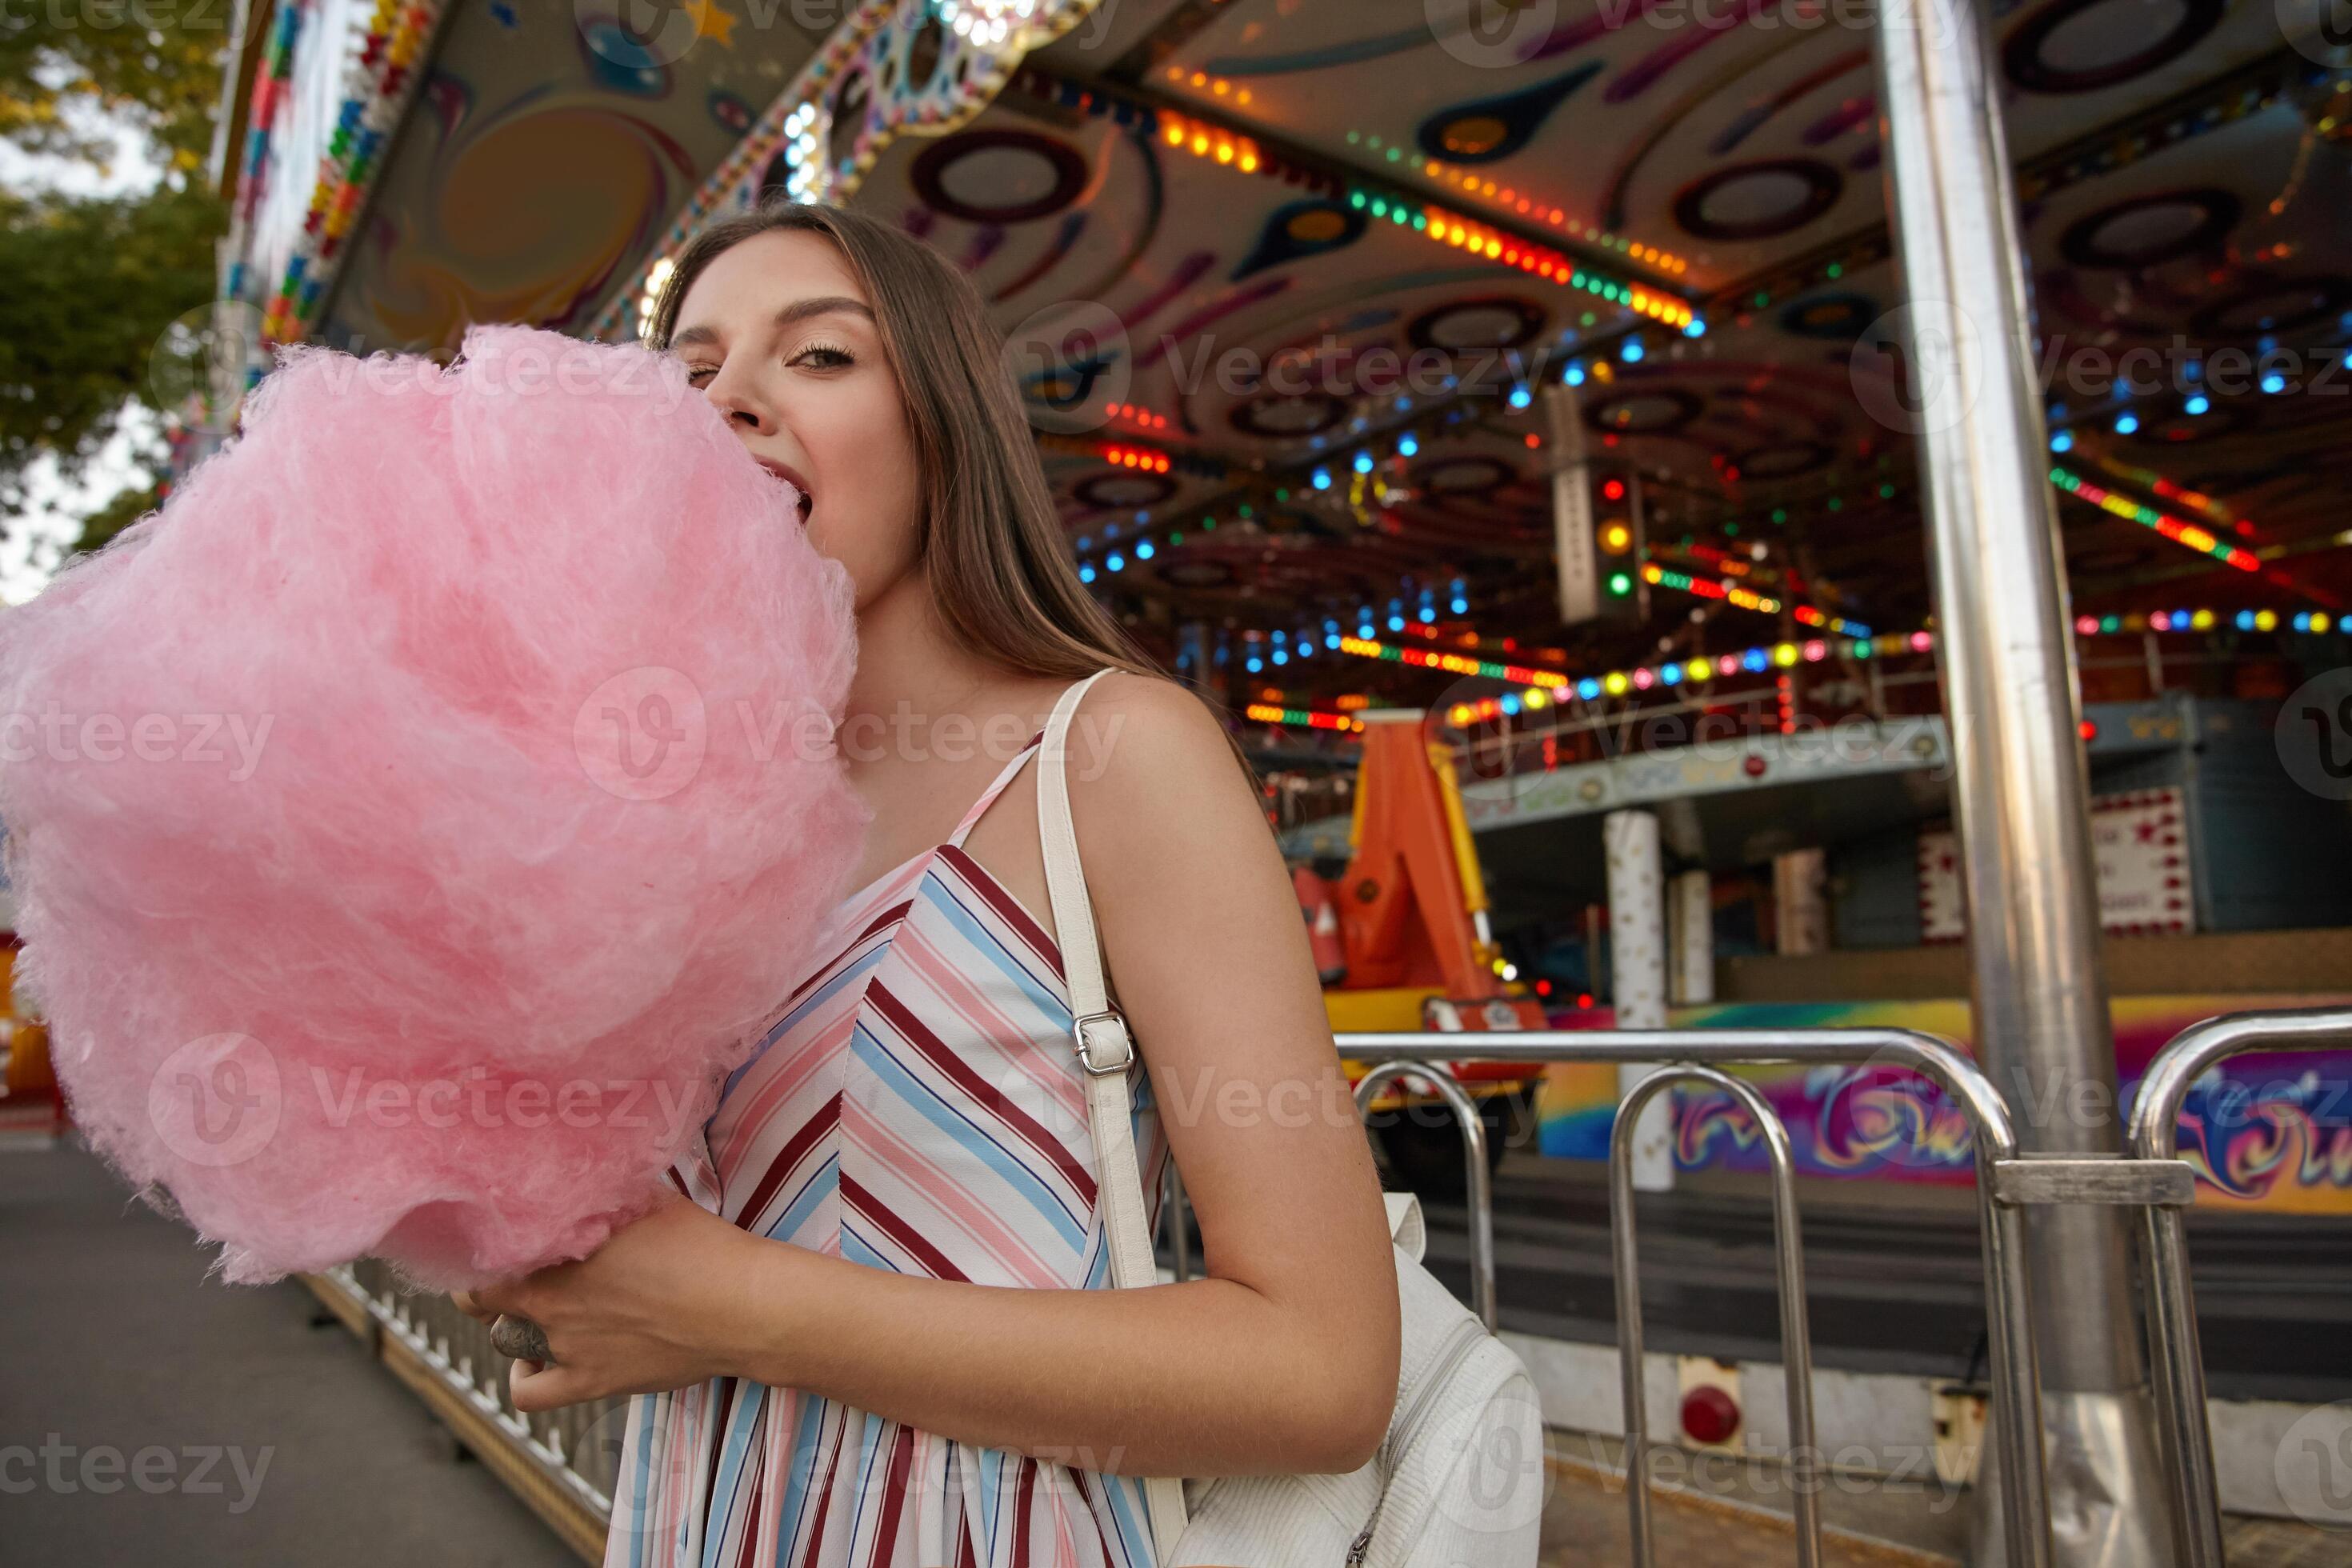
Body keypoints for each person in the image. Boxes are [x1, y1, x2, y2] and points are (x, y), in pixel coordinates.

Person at [452, 198, 1402, 1567]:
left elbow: (1323, 1375)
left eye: (820, 358)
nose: (729, 406)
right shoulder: (667, 821)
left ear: (946, 428)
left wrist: (730, 1305)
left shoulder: (1112, 754)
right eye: (689, 373)